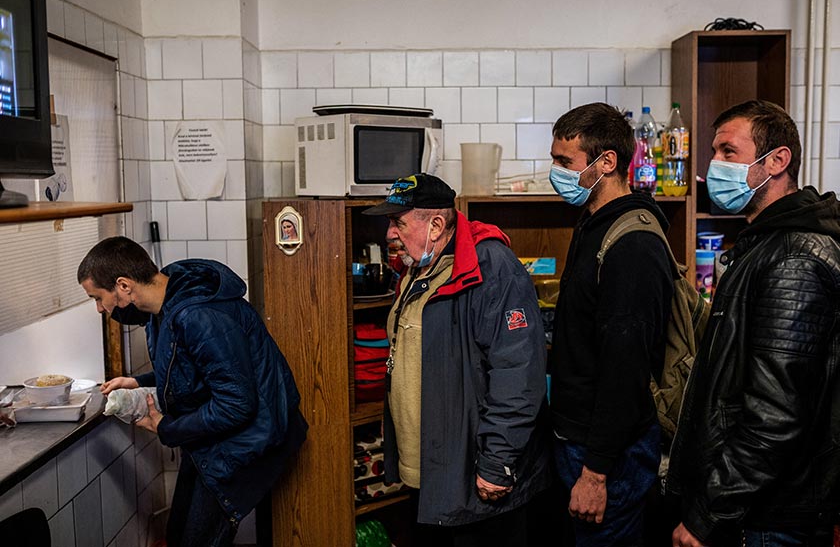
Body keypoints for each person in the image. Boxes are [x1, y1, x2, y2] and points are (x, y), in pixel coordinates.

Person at [669, 100, 840, 547]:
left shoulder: (794, 260)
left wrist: (709, 512)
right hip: (755, 507)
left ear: (778, 161)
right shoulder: (766, 244)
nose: (714, 166)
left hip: (771, 514)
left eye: (728, 152)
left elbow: (776, 414)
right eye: (713, 153)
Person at [77, 237, 308, 547]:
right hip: (221, 436)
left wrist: (166, 428)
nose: (98, 309)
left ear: (124, 285)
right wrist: (140, 381)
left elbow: (236, 404)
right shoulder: (166, 297)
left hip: (249, 438)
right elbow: (192, 368)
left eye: (97, 297)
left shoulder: (197, 316)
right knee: (180, 535)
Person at [363, 173, 552, 546]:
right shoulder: (419, 268)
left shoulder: (493, 268)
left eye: (398, 222)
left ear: (436, 225)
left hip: (476, 479)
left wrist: (497, 462)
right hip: (432, 473)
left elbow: (518, 375)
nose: (388, 234)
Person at [547, 102, 674, 545]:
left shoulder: (632, 244)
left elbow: (626, 369)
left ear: (606, 163)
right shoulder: (592, 224)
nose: (556, 172)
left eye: (565, 162)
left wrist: (596, 473)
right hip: (578, 442)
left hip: (608, 458)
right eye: (554, 160)